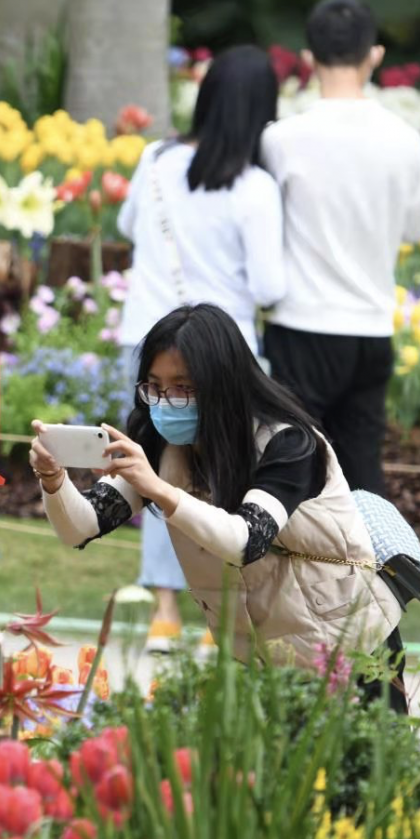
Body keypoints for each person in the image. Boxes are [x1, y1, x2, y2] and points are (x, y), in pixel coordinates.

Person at [32, 304, 405, 707]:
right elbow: (81, 526)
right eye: (154, 387)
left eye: (182, 388)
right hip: (266, 661)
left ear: (222, 384)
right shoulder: (162, 447)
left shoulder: (289, 443)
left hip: (353, 651)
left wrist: (159, 490)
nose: (165, 402)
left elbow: (246, 540)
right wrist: (54, 481)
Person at [115, 44, 286, 653]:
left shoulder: (156, 160)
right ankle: (221, 617)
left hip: (149, 342)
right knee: (228, 481)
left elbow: (127, 227)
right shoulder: (254, 187)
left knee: (157, 470)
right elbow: (269, 286)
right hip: (220, 354)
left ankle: (164, 612)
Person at [260, 0, 420, 496]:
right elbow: (415, 230)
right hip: (371, 326)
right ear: (374, 55)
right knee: (362, 480)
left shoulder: (282, 139)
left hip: (302, 324)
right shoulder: (406, 140)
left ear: (308, 57)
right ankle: (374, 553)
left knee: (291, 473)